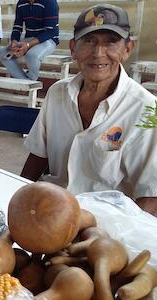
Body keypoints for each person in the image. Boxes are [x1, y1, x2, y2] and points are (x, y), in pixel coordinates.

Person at [21, 4, 157, 216]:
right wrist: (18, 199)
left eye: (111, 42)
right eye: (89, 41)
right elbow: (38, 156)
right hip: (50, 212)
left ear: (127, 49)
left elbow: (151, 196)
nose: (98, 53)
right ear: (73, 48)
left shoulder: (147, 109)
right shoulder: (57, 94)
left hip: (107, 225)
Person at [0, 0, 59, 80]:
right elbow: (17, 26)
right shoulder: (21, 3)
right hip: (29, 40)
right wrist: (14, 41)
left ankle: (31, 81)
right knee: (4, 54)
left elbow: (51, 31)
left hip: (48, 40)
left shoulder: (49, 2)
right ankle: (26, 82)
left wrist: (28, 45)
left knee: (31, 55)